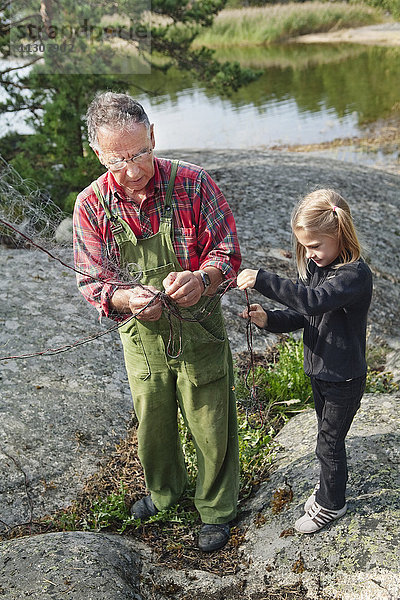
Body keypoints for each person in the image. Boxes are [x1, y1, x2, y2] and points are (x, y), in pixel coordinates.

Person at [73, 91, 241, 552]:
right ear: (98, 153)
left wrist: (204, 279)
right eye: (117, 160)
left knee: (211, 419)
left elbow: (227, 252)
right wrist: (125, 297)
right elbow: (92, 281)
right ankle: (165, 494)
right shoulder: (91, 205)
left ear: (153, 135)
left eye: (141, 152)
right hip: (141, 335)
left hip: (200, 329)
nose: (132, 170)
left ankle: (217, 508)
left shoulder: (194, 183)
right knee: (154, 422)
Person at [237, 189, 373, 534]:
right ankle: (329, 488)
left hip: (344, 377)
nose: (310, 255)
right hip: (320, 372)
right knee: (326, 438)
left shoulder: (354, 275)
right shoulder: (318, 267)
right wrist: (269, 319)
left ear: (340, 235)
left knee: (328, 442)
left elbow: (314, 302)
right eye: (306, 248)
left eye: (315, 246)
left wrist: (265, 279)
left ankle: (332, 504)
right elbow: (302, 313)